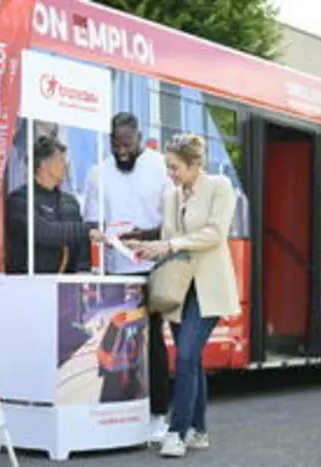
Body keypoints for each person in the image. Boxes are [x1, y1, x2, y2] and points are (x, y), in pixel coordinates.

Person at [126, 133, 241, 458]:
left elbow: (215, 234)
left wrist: (170, 244)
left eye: (174, 167)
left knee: (187, 355)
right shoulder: (172, 196)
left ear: (194, 164)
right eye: (167, 167)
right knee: (193, 358)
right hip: (178, 288)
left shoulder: (219, 187)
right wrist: (147, 248)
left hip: (208, 287)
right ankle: (199, 430)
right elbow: (169, 239)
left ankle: (176, 432)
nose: (170, 173)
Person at [83, 112, 173, 443]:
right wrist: (98, 234)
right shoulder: (97, 172)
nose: (121, 151)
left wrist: (145, 237)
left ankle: (159, 415)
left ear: (140, 138)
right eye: (116, 144)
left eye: (127, 144)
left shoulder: (160, 166)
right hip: (114, 270)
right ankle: (117, 415)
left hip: (153, 267)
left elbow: (173, 220)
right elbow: (92, 220)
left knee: (153, 342)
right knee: (116, 343)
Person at [6, 135, 103, 274]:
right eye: (61, 160)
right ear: (43, 165)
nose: (66, 165)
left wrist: (83, 271)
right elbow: (44, 232)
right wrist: (87, 230)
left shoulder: (70, 202)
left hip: (66, 285)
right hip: (28, 284)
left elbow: (81, 248)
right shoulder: (19, 200)